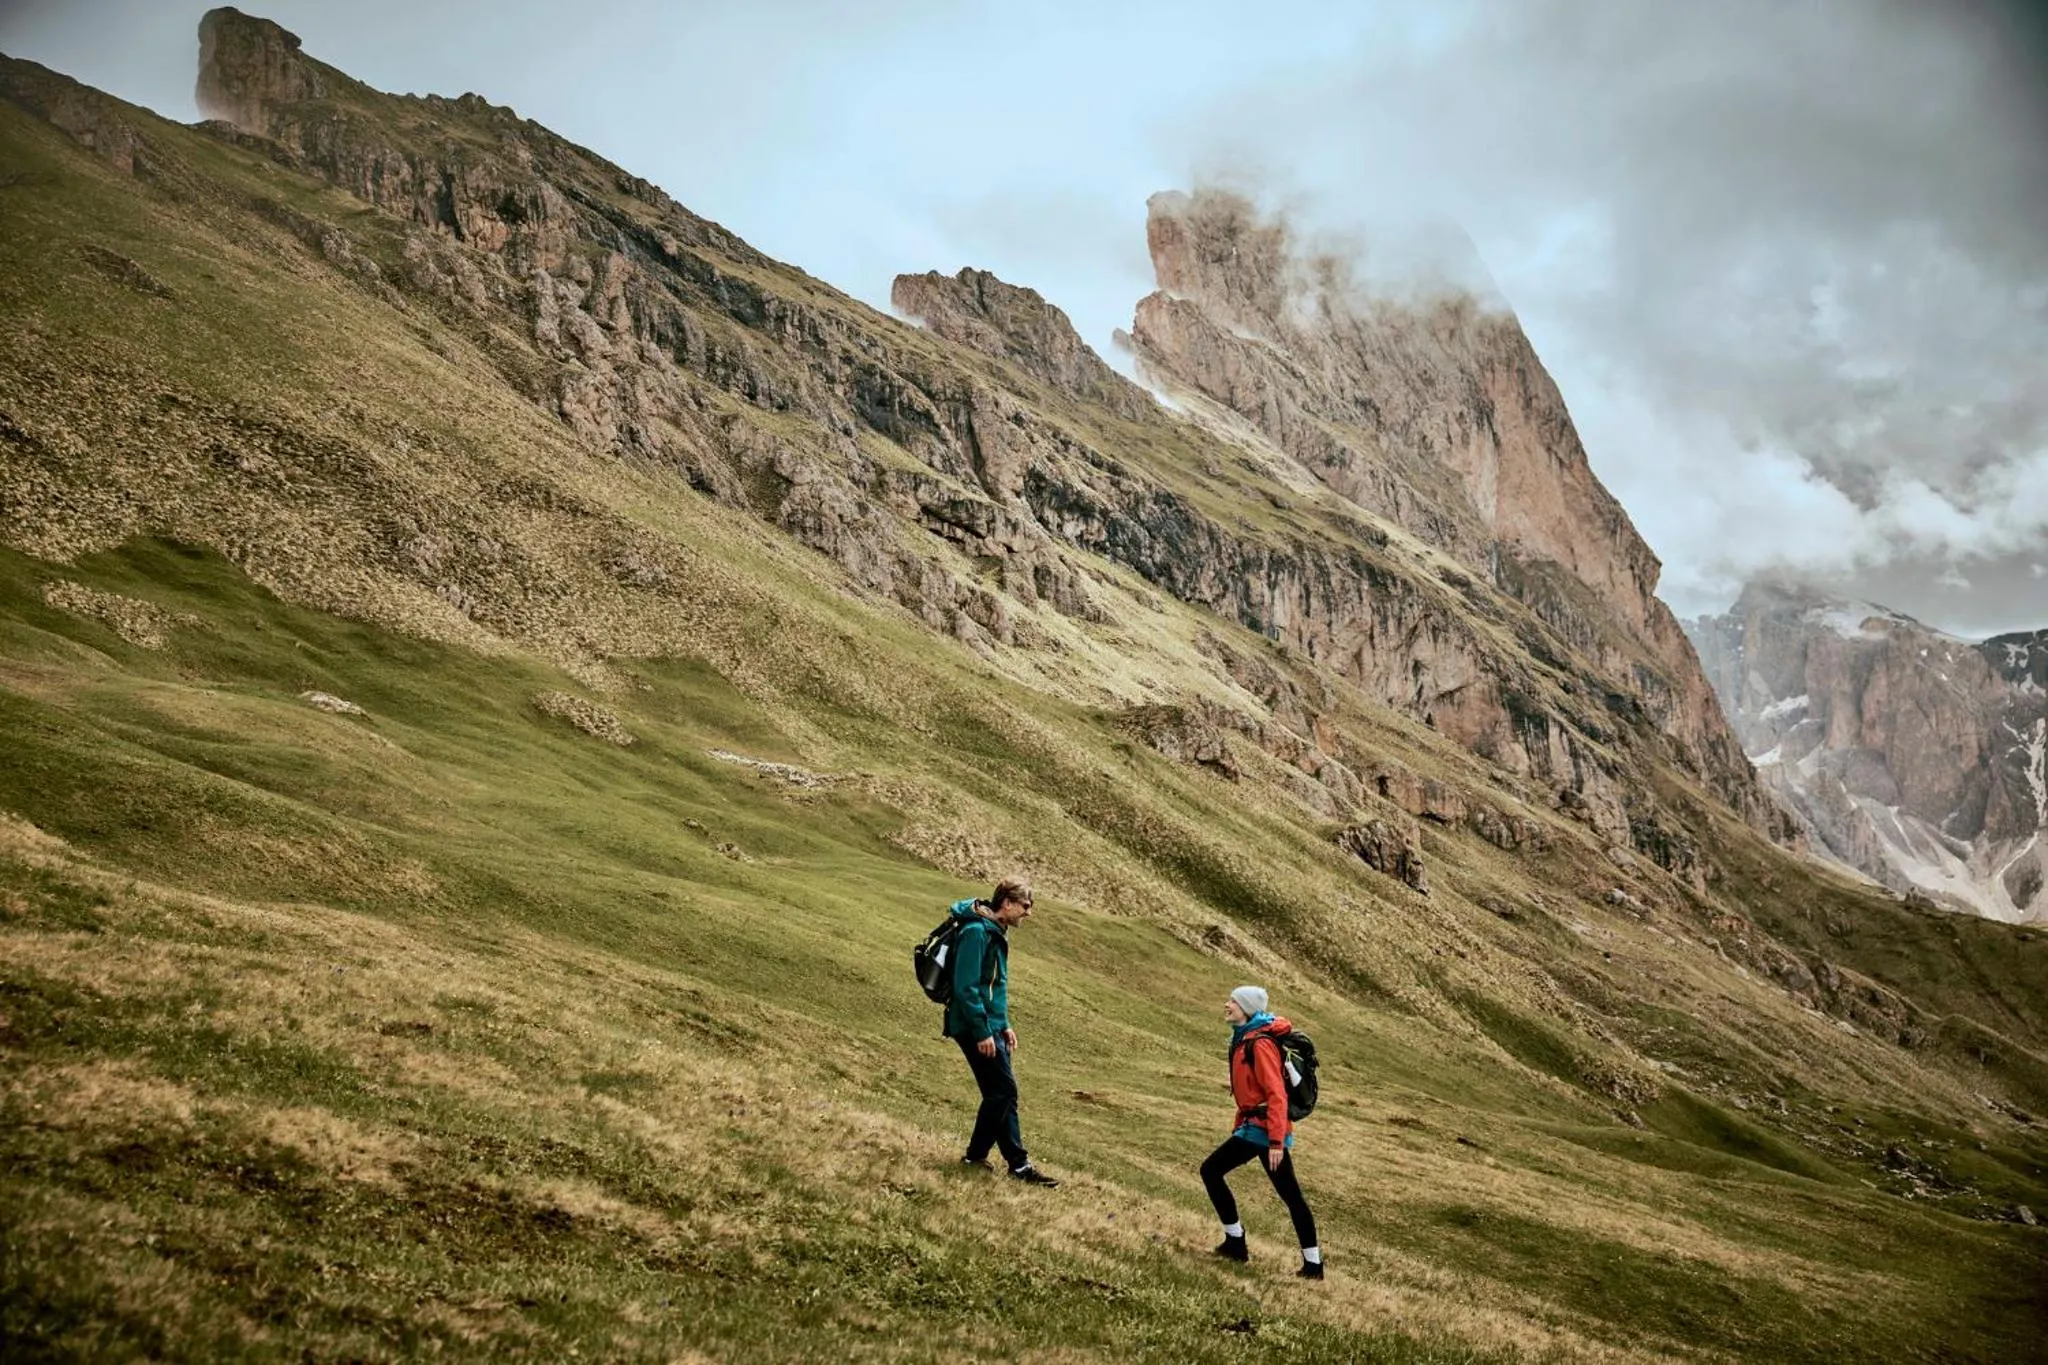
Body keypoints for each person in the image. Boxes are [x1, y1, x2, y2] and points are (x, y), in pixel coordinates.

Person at [1202, 985, 1323, 1278]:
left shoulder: (1260, 1044)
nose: (1227, 1004)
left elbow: (1276, 1094)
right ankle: (1312, 1265)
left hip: (1265, 1132)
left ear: (1246, 1009)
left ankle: (1237, 1244)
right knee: (1291, 1196)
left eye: (1233, 1001)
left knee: (1211, 1171)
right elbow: (1250, 1094)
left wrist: (1276, 1142)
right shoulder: (1244, 1038)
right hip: (1256, 1129)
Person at [945, 878, 1059, 1187]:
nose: (1029, 913)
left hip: (991, 1025)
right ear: (1006, 903)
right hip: (973, 1026)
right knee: (1003, 1092)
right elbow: (966, 987)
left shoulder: (996, 931)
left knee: (1001, 1094)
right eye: (1025, 906)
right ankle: (976, 1158)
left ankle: (1018, 1166)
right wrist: (983, 1031)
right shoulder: (975, 932)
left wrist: (1004, 1024)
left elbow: (994, 986)